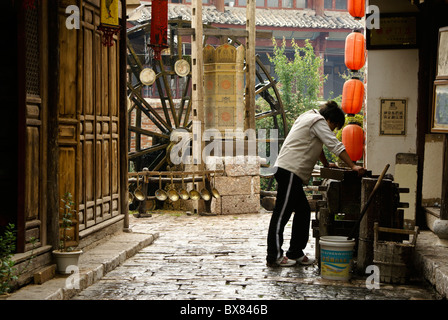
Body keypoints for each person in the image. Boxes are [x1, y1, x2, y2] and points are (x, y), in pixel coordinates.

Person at [266, 101, 366, 267]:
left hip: (291, 172)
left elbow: (318, 147)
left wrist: (326, 164)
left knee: (304, 211)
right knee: (281, 214)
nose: (332, 130)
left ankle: (295, 252)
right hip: (290, 171)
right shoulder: (318, 121)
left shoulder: (308, 116)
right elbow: (334, 144)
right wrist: (353, 166)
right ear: (331, 121)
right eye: (334, 127)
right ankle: (274, 255)